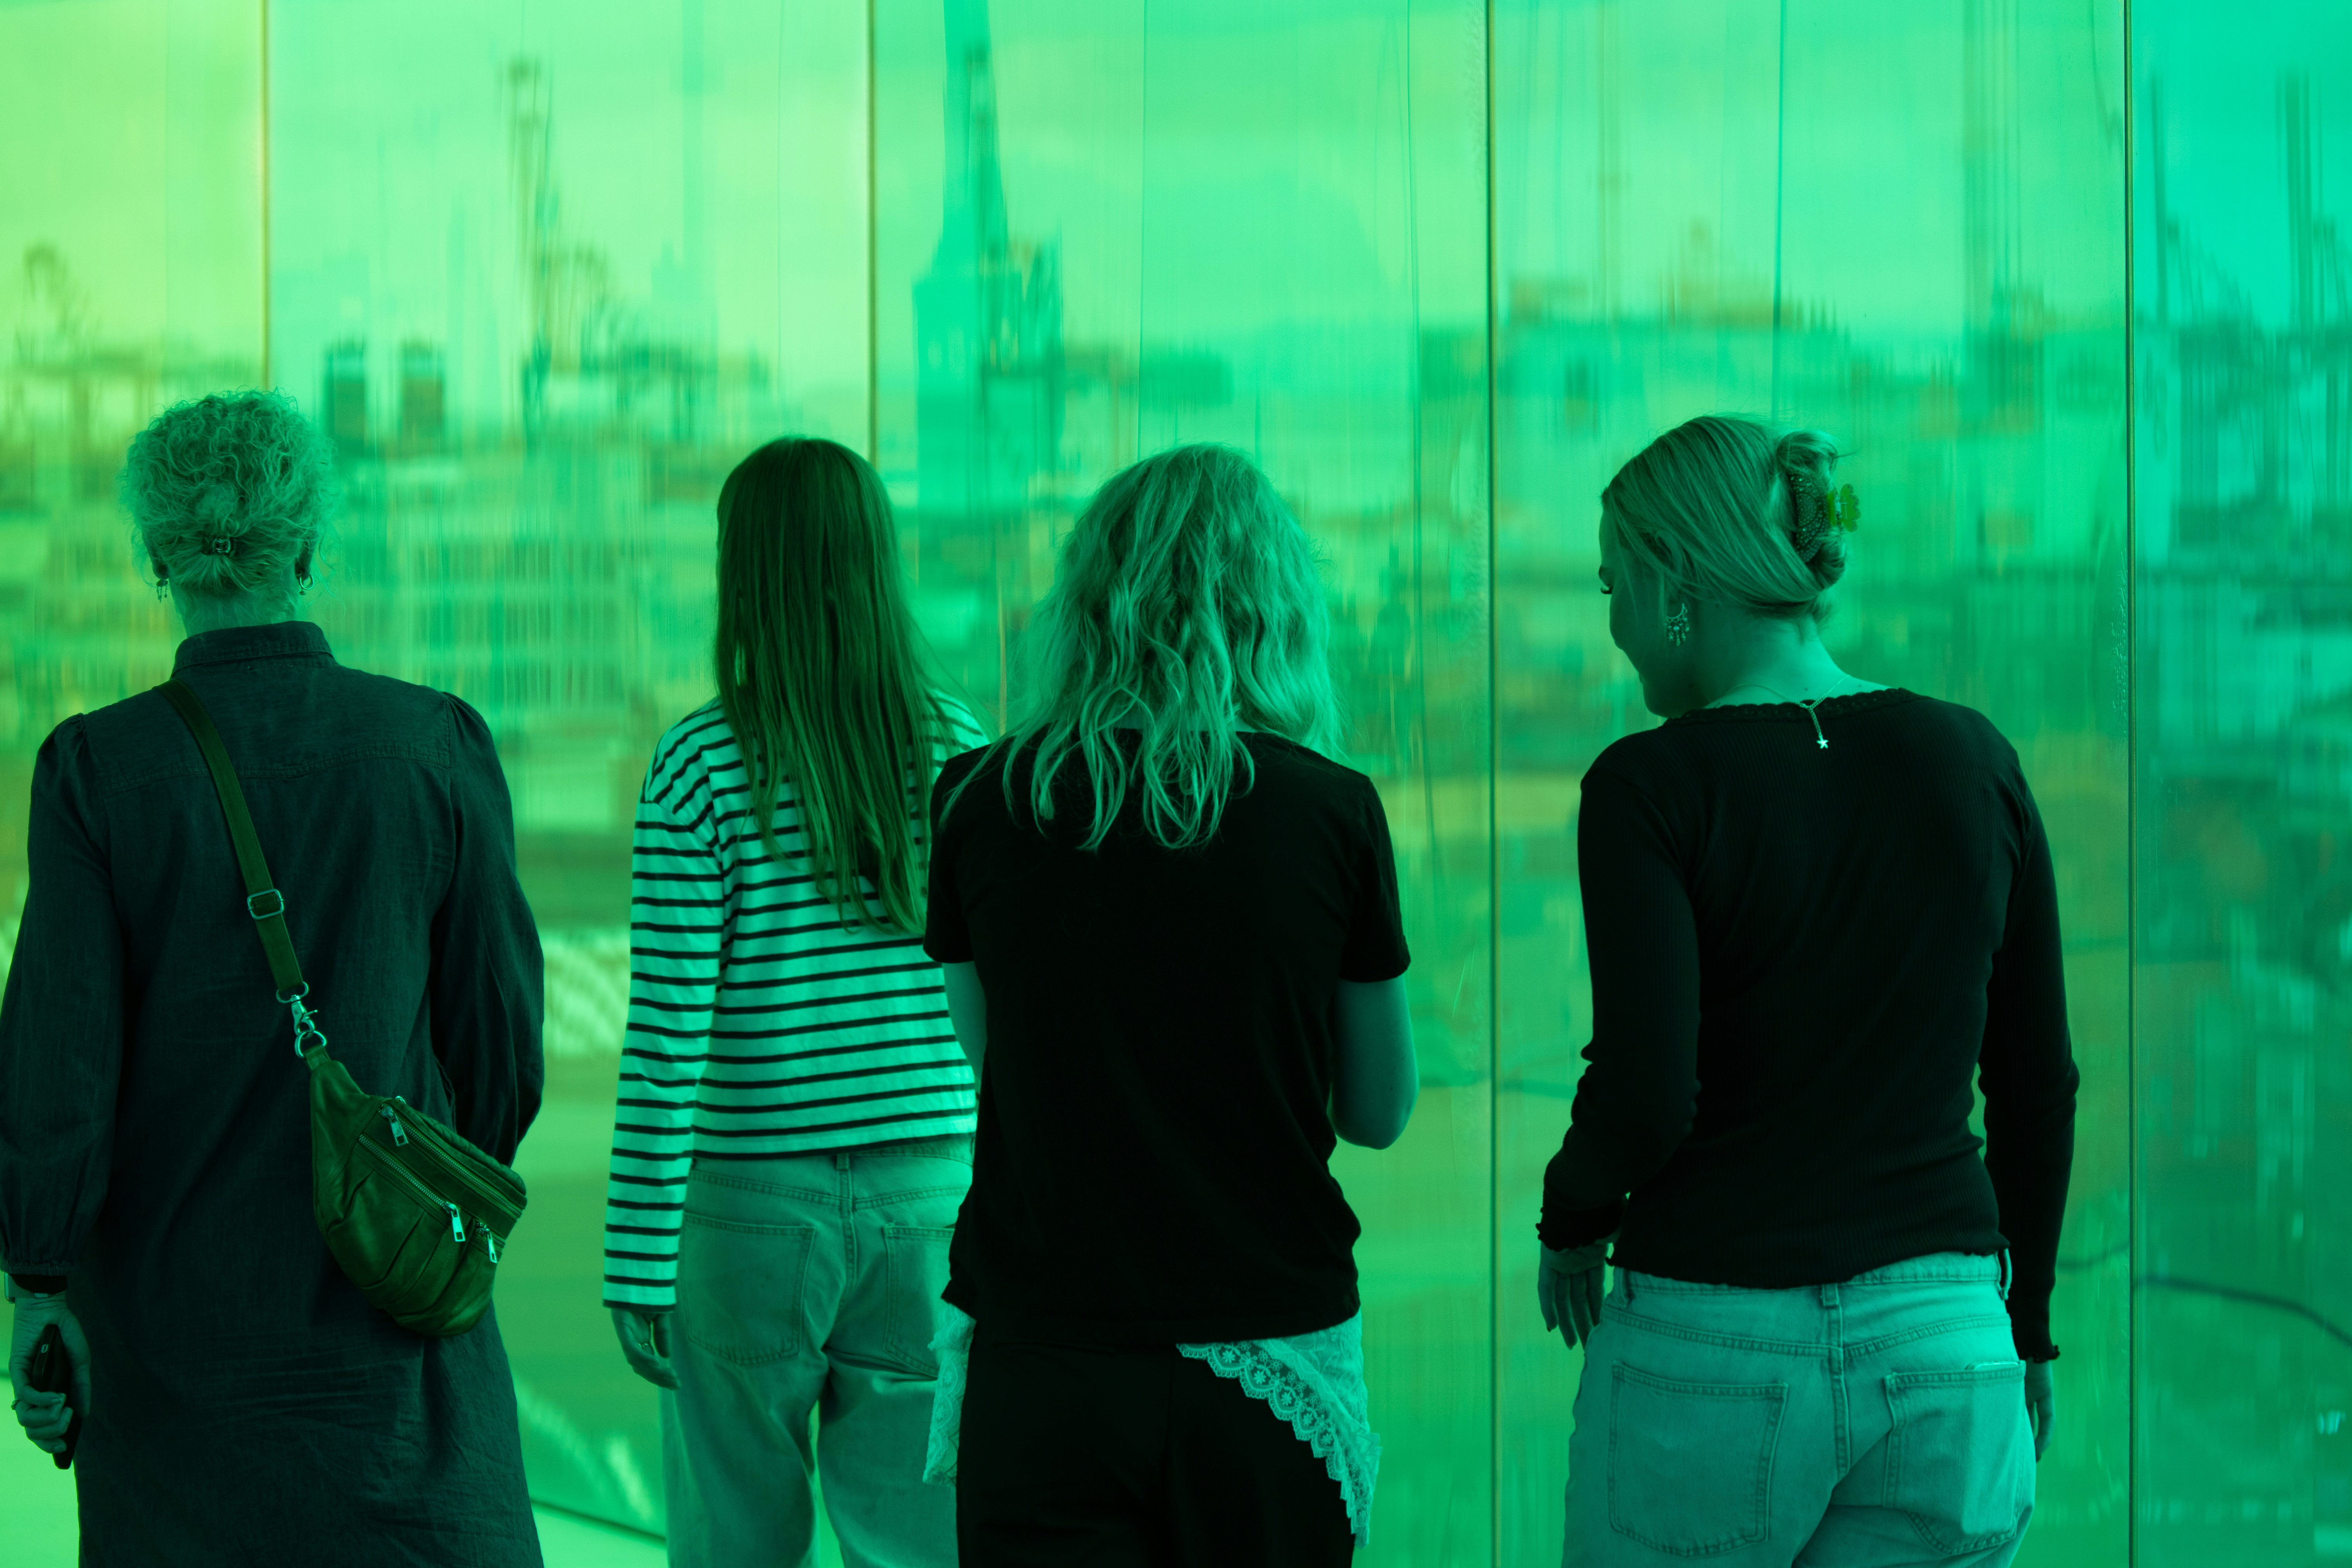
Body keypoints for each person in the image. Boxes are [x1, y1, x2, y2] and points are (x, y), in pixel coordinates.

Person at [0, 390, 546, 1564]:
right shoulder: (433, 746)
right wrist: (412, 1182)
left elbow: (60, 1063)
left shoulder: (98, 773)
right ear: (309, 549)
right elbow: (499, 1051)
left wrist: (38, 1283)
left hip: (177, 1359)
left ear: (157, 557)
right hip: (398, 1345)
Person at [1535, 415, 2077, 1567]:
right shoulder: (1974, 758)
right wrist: (2024, 1330)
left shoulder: (1650, 784)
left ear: (1675, 579)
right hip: (1951, 1349)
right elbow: (2036, 1086)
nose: (1618, 626)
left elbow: (1646, 1093)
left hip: (1715, 1348)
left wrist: (1572, 1219)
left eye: (1614, 584)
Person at [922, 442, 1419, 1566]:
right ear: (1275, 607)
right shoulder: (1331, 811)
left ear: (1088, 598)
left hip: (1046, 1350)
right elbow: (1378, 1110)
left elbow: (998, 1059)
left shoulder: (980, 799)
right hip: (1266, 1350)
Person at [601, 438, 987, 1567]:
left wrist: (635, 1259)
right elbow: (989, 1003)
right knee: (920, 1544)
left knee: (737, 1543)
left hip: (747, 1212)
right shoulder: (955, 746)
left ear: (746, 568)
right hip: (933, 1199)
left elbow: (668, 1038)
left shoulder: (698, 769)